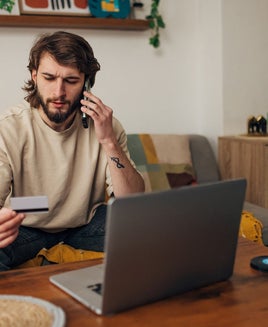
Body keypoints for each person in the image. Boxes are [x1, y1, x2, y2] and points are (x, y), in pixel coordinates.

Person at [0, 31, 145, 271]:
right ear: (34, 77)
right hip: (28, 225)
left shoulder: (107, 127)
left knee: (148, 231)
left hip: (86, 224)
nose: (58, 92)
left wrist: (108, 141)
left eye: (71, 80)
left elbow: (133, 201)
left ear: (86, 83)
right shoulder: (9, 128)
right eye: (49, 78)